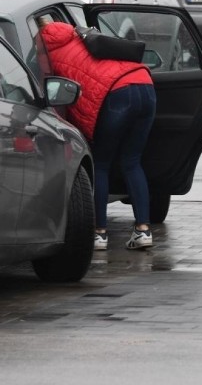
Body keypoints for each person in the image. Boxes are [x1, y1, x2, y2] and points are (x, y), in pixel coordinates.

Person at [38, 21, 156, 251]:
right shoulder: (82, 36)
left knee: (100, 164)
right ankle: (144, 230)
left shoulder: (47, 54)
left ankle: (99, 233)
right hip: (144, 83)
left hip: (117, 94)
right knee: (132, 162)